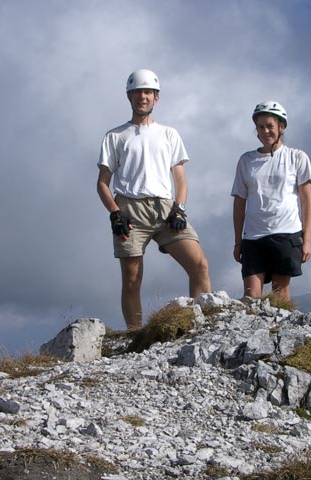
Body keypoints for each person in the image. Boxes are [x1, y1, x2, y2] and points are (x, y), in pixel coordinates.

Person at [97, 69, 211, 330]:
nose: (142, 97)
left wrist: (179, 209)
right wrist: (115, 213)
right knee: (132, 278)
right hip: (129, 208)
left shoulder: (169, 134)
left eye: (148, 92)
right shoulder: (115, 136)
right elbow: (102, 182)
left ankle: (202, 327)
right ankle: (135, 336)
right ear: (129, 96)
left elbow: (180, 178)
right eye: (137, 92)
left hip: (166, 208)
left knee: (199, 265)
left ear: (156, 98)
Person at [231, 100, 311, 302]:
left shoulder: (297, 157)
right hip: (253, 236)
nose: (265, 131)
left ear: (281, 127)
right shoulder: (246, 160)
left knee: (280, 296)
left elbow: (307, 200)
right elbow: (239, 202)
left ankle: (282, 333)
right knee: (250, 297)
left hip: (286, 233)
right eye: (261, 127)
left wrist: (307, 239)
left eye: (270, 126)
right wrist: (238, 241)